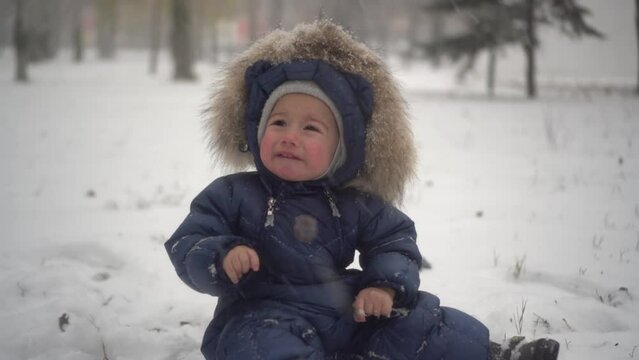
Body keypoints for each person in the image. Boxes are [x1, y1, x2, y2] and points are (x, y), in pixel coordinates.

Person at [165, 21, 559, 360]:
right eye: (279, 122)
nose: (290, 137)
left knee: (418, 322)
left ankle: (491, 353)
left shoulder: (354, 203)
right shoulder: (234, 193)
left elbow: (394, 240)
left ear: (342, 149)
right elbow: (190, 239)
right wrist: (222, 254)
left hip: (344, 310)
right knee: (258, 345)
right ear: (257, 130)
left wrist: (383, 285)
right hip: (259, 312)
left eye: (310, 128)